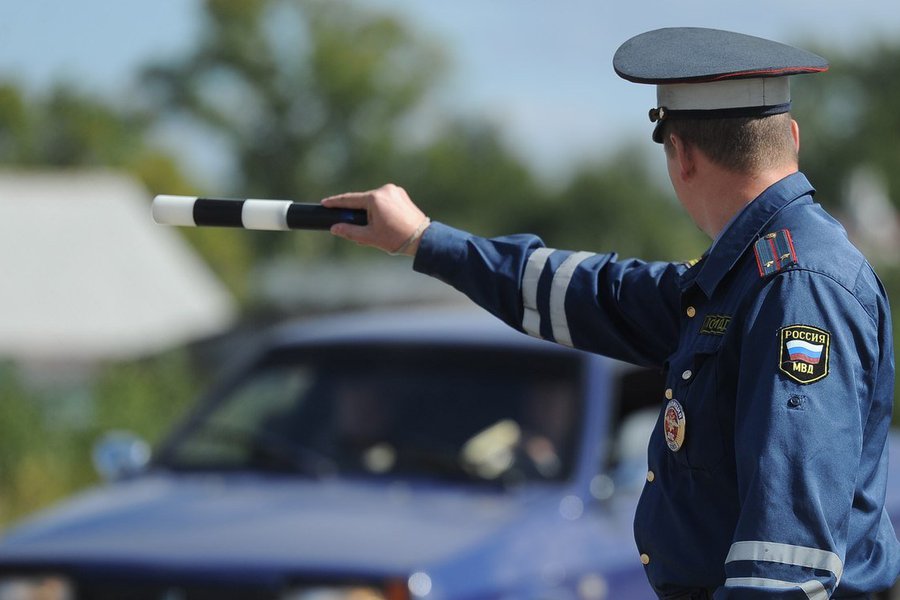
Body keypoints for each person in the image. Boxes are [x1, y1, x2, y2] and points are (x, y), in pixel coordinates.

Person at [321, 27, 900, 599]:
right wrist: (424, 239)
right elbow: (596, 294)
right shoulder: (750, 274)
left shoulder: (793, 285)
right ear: (791, 137)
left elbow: (784, 566)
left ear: (681, 155)